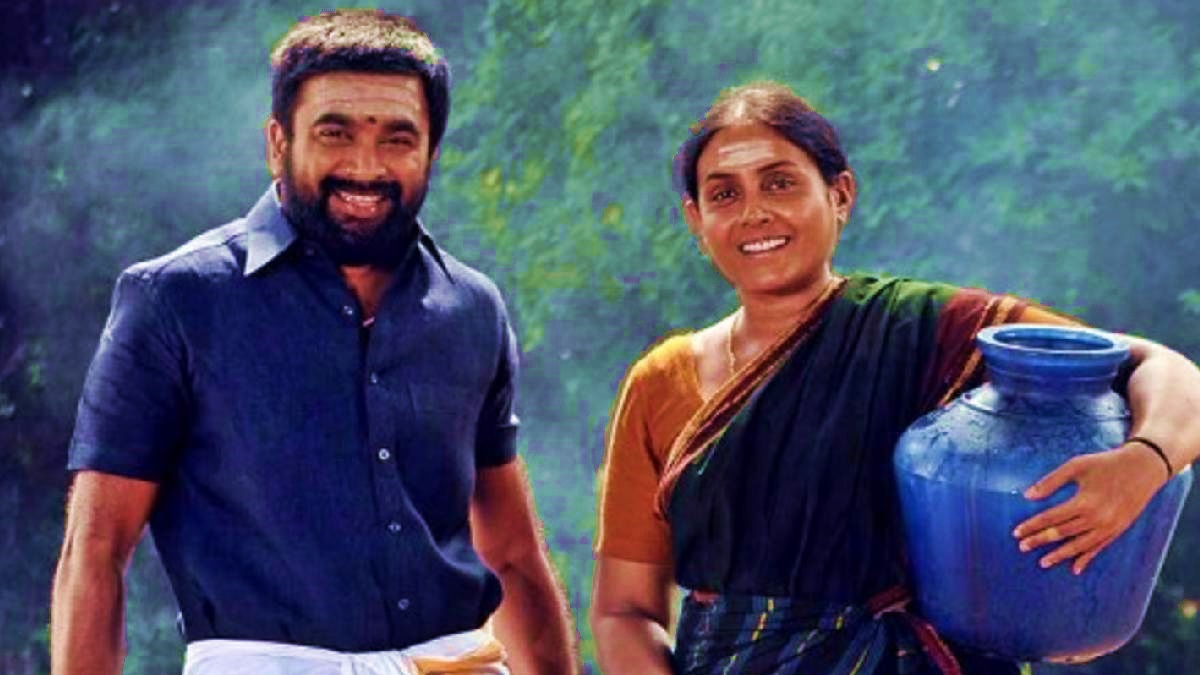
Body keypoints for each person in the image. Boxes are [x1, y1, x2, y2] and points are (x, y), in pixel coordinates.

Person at [589, 80, 1200, 674]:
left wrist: (1144, 462)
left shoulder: (928, 330)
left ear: (840, 194)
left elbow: (1165, 371)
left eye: (780, 183)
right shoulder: (660, 382)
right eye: (724, 194)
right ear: (696, 221)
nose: (754, 212)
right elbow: (624, 611)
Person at [50, 10, 579, 675]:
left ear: (431, 152)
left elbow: (512, 554)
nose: (366, 165)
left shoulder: (472, 307)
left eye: (398, 138)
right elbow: (96, 549)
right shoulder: (175, 300)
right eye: (335, 133)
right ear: (279, 142)